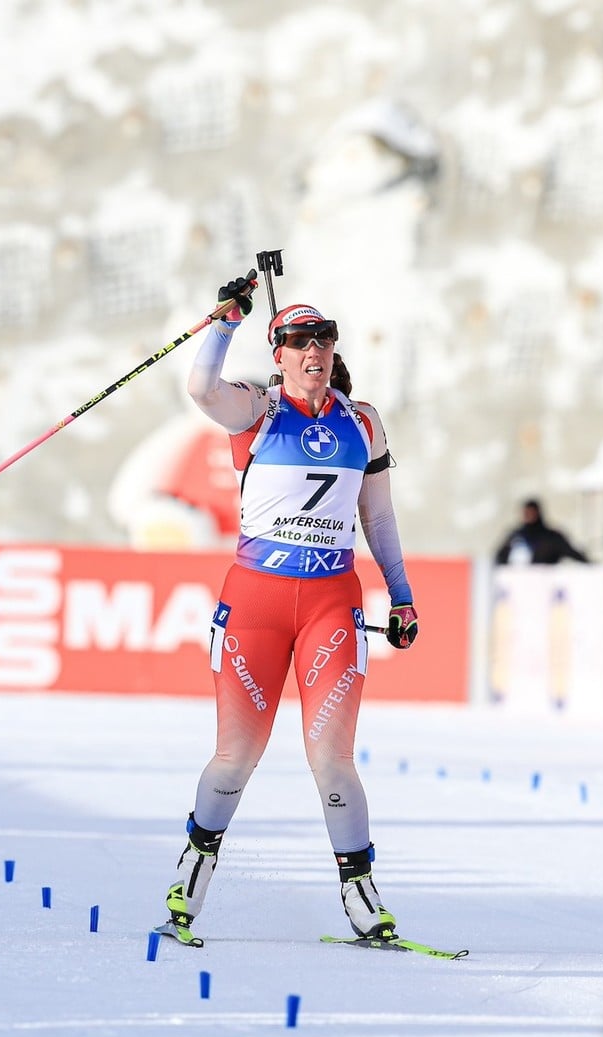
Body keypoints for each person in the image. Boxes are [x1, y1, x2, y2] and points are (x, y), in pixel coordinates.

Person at [159, 273, 419, 948]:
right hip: (255, 603)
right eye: (300, 341)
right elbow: (198, 388)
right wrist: (226, 319)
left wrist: (403, 593)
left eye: (323, 339)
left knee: (332, 759)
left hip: (332, 602)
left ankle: (363, 899)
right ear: (278, 354)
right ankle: (191, 875)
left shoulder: (362, 420)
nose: (314, 350)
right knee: (234, 758)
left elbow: (379, 515)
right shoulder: (256, 410)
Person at [494, 497, 589, 565]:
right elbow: (499, 557)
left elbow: (572, 553)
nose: (529, 516)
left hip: (545, 586)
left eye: (532, 512)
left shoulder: (551, 537)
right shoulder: (515, 537)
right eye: (526, 513)